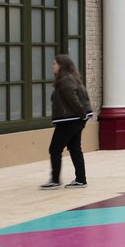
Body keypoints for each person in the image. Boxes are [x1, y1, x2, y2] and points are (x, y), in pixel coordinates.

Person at [42, 54, 92, 189]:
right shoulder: (71, 79)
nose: (53, 66)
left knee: (55, 149)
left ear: (61, 66)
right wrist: (83, 117)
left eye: (55, 63)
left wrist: (82, 115)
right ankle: (81, 179)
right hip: (74, 120)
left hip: (69, 120)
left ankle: (55, 180)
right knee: (75, 148)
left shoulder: (65, 81)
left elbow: (73, 100)